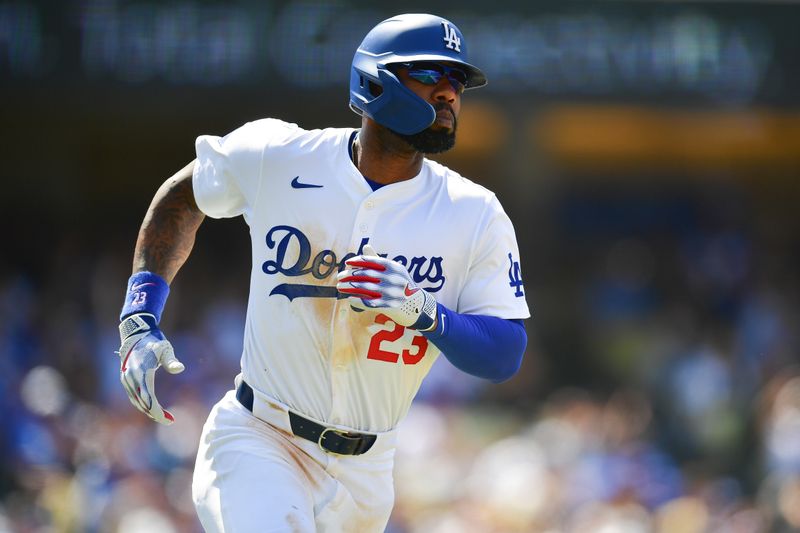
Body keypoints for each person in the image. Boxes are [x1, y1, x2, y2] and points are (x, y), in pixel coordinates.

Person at [117, 13, 530, 532]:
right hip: (260, 439)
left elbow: (505, 353)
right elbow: (183, 196)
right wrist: (139, 315)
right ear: (375, 80)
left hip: (368, 474)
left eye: (458, 81)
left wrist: (424, 312)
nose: (449, 93)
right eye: (430, 75)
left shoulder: (475, 212)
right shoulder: (278, 153)